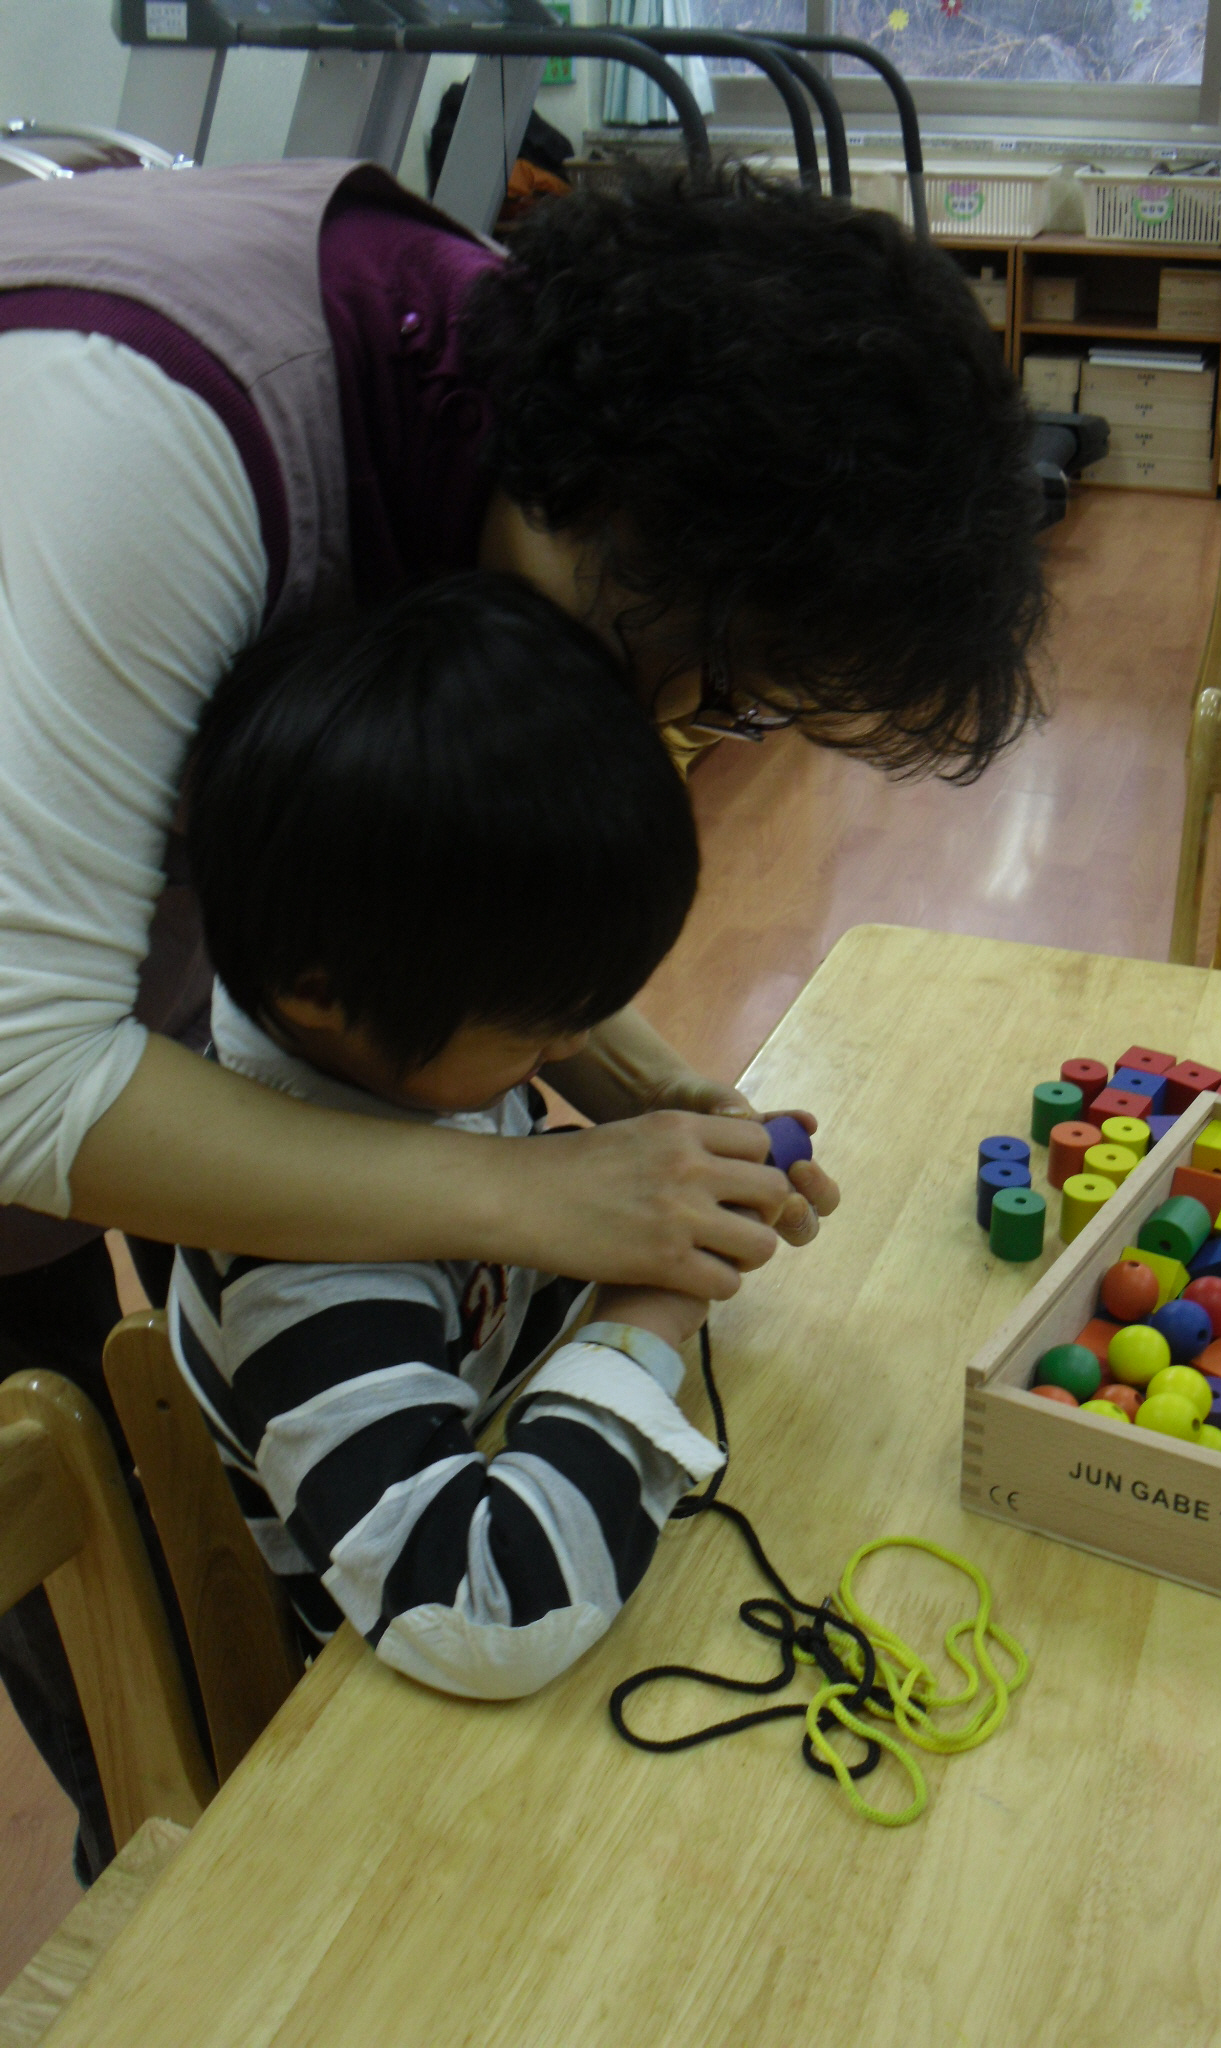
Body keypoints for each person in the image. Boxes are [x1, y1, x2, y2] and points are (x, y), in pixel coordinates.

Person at [0, 154, 1040, 1862]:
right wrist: (552, 1206)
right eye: (703, 687)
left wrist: (606, 1067)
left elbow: (366, 906)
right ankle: (166, 1872)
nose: (680, 729)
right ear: (630, 539)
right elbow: (28, 1082)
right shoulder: (150, 436)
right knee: (86, 1548)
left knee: (151, 1433)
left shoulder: (558, 412)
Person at [165, 575, 752, 1696]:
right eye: (537, 1032)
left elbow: (508, 1304)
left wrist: (669, 1192)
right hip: (356, 1714)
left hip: (497, 1452)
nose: (577, 1046)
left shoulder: (409, 1064)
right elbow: (484, 1611)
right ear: (319, 992)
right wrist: (646, 1312)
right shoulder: (297, 1275)